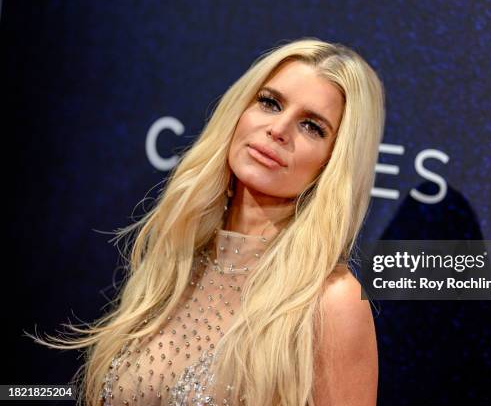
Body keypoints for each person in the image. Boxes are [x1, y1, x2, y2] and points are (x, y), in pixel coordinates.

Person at [32, 37, 386, 405]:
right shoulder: (181, 252)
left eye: (312, 126)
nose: (278, 129)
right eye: (269, 102)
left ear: (333, 161)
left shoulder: (331, 301)